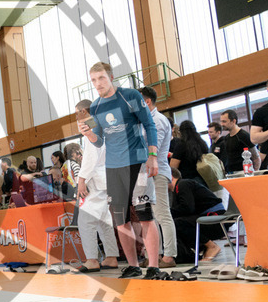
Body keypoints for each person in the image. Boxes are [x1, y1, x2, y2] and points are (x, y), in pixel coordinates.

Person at [82, 62, 161, 279]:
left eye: (101, 78)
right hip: (113, 167)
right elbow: (99, 142)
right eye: (94, 80)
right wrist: (90, 136)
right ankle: (133, 265)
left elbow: (150, 126)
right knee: (120, 219)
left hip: (137, 162)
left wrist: (152, 156)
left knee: (144, 214)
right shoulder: (96, 107)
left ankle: (153, 266)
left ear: (111, 77)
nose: (98, 84)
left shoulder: (130, 96)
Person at [74, 100, 119, 273]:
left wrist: (81, 179)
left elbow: (92, 155)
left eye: (77, 113)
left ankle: (92, 259)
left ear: (84, 111)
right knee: (104, 219)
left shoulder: (91, 125)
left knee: (86, 220)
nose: (76, 116)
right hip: (106, 177)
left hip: (94, 177)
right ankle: (111, 257)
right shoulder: (104, 123)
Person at [140, 86, 176, 269]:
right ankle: (155, 254)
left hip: (157, 172)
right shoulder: (145, 121)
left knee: (162, 214)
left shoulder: (159, 120)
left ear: (146, 102)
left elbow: (154, 147)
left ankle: (169, 256)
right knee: (150, 217)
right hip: (145, 175)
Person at [169, 167, 226, 263]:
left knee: (178, 223)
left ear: (169, 176)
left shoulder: (183, 184)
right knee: (174, 223)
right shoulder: (178, 189)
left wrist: (166, 213)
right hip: (207, 217)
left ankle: (211, 246)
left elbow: (187, 208)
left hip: (215, 219)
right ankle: (197, 251)